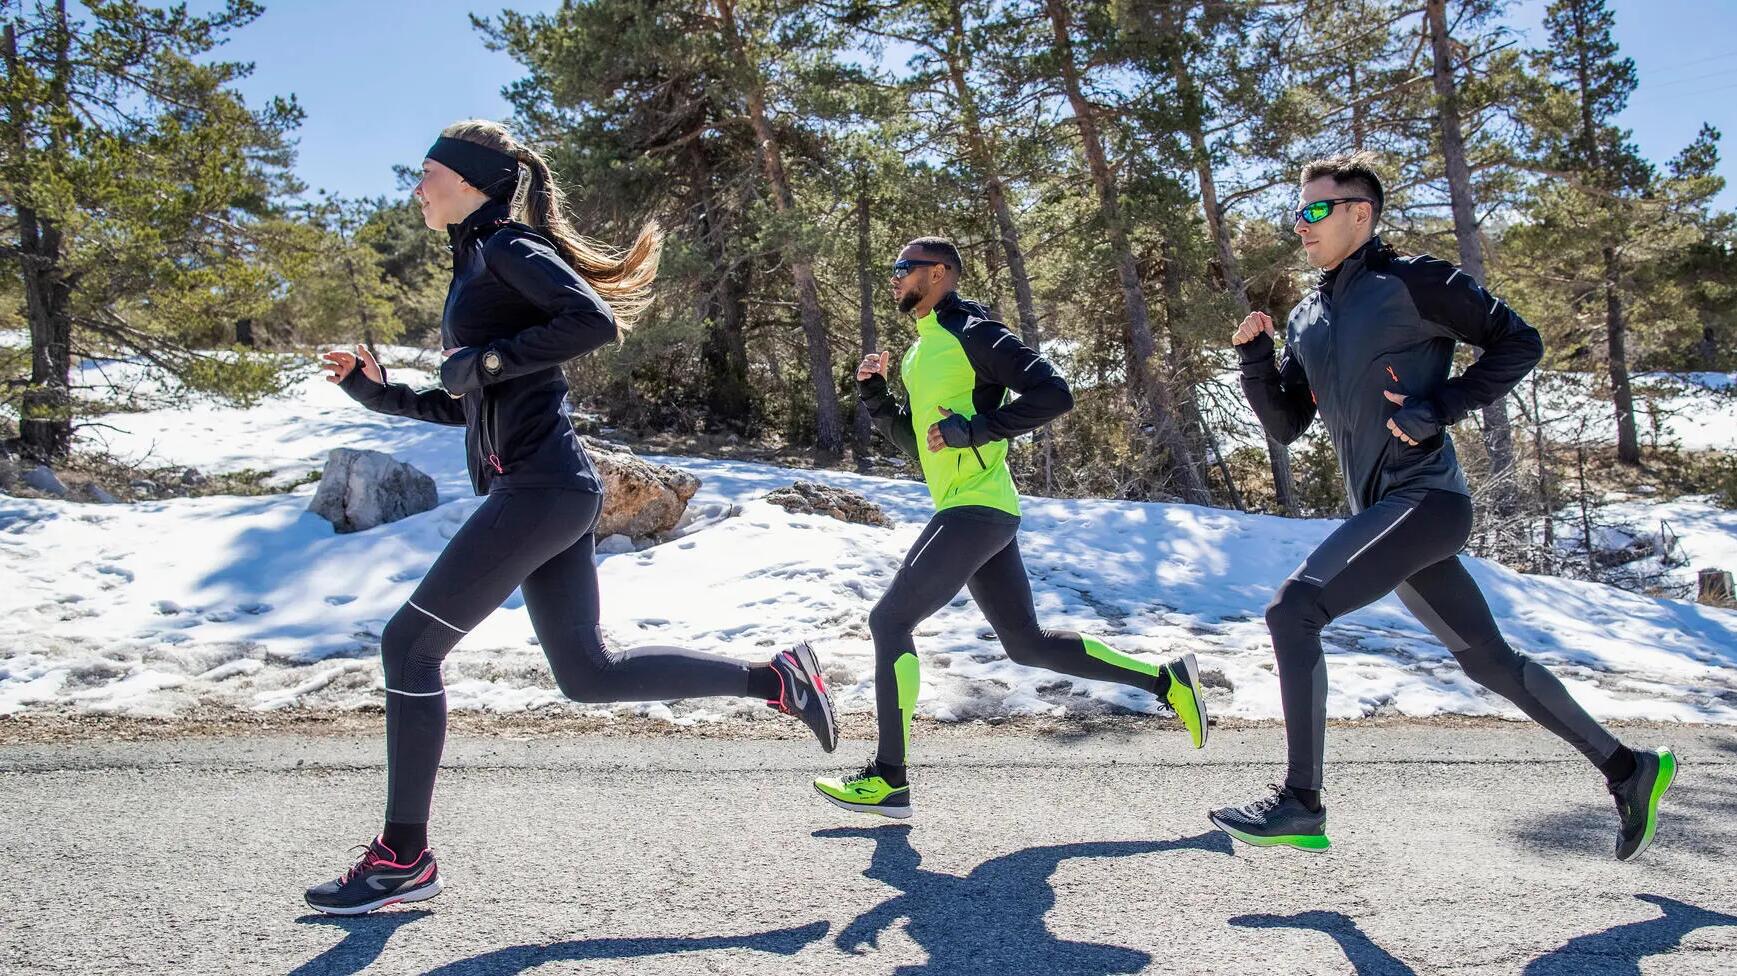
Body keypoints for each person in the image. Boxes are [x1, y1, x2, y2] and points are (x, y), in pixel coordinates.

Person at [304, 120, 838, 915]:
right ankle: (776, 680)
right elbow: (468, 403)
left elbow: (590, 321)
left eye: (426, 174)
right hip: (541, 487)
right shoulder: (477, 262)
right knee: (589, 675)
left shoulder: (509, 249)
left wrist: (480, 361)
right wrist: (372, 388)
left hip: (542, 489)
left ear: (471, 181)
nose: (416, 189)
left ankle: (403, 856)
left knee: (408, 647)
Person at [1211, 152, 1674, 859]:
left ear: (1358, 214)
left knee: (1292, 609)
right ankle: (1627, 769)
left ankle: (1301, 802)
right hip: (1384, 513)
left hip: (1425, 500)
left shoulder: (1414, 282)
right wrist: (1253, 360)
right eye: (1296, 211)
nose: (1299, 225)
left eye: (1314, 210)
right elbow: (1285, 425)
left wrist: (1441, 406)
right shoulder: (1308, 314)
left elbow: (1519, 341)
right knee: (1488, 662)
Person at [813, 237, 1210, 819]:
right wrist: (875, 399)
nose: (895, 279)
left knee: (889, 619)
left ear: (941, 273)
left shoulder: (972, 331)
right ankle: (1167, 681)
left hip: (976, 507)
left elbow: (1054, 393)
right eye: (894, 269)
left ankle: (889, 777)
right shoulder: (921, 351)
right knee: (1026, 644)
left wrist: (978, 429)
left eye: (905, 269)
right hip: (971, 505)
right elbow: (920, 444)